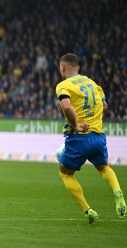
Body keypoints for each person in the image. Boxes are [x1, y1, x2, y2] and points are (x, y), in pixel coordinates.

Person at [55, 53, 125, 223]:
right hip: (98, 137)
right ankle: (117, 192)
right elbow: (105, 106)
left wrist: (77, 124)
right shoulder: (93, 84)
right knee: (103, 168)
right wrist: (92, 118)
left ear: (63, 68)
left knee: (65, 174)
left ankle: (88, 211)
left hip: (78, 138)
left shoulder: (63, 86)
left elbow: (66, 106)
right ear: (78, 68)